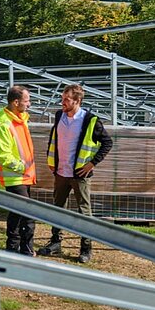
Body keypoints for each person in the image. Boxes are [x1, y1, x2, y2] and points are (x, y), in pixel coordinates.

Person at [38, 84, 112, 263]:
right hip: (61, 173)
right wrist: (53, 162)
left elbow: (107, 143)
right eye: (62, 98)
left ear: (77, 101)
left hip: (79, 175)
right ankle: (55, 242)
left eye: (66, 100)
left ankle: (86, 249)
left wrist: (92, 163)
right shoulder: (59, 115)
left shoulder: (90, 120)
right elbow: (54, 139)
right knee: (57, 208)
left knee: (84, 212)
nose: (62, 102)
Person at [0, 85, 37, 256]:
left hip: (25, 176)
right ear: (16, 102)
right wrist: (22, 167)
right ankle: (26, 249)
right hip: (16, 177)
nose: (29, 104)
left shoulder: (20, 119)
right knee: (28, 213)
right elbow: (3, 155)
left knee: (17, 214)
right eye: (27, 100)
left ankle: (13, 247)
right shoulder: (4, 124)